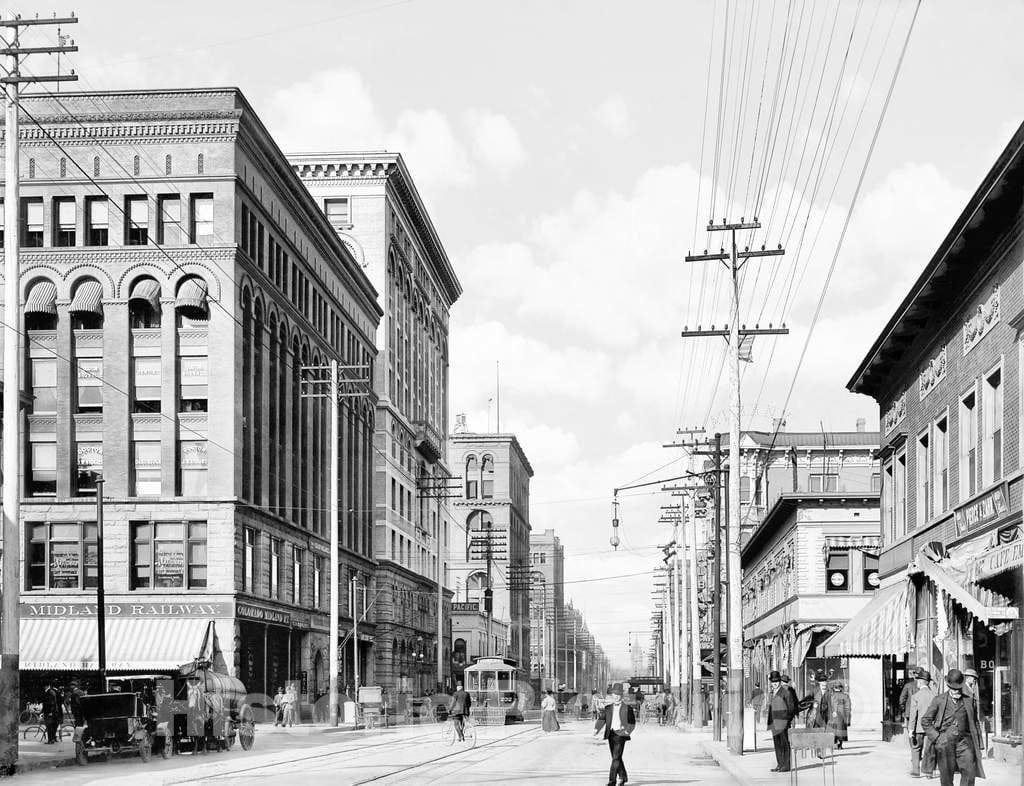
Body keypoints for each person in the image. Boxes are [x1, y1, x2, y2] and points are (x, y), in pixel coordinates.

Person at [921, 669, 986, 786]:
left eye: (957, 688)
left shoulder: (969, 700)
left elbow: (975, 722)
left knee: (970, 773)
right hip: (945, 743)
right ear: (948, 685)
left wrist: (980, 743)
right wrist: (937, 738)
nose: (955, 691)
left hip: (965, 742)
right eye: (952, 688)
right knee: (946, 778)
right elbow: (925, 720)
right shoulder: (939, 700)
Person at [594, 684, 635, 786]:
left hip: (621, 735)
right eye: (614, 694)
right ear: (611, 695)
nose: (616, 696)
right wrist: (596, 729)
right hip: (610, 734)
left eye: (618, 694)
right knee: (616, 757)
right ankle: (623, 777)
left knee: (616, 758)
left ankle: (612, 781)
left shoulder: (627, 708)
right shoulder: (608, 708)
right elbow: (602, 719)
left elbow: (632, 723)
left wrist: (627, 731)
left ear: (621, 695)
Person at [908, 668, 938, 779]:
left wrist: (911, 730)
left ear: (920, 681)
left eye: (918, 680)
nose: (917, 682)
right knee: (929, 749)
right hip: (931, 728)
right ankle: (929, 772)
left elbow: (913, 716)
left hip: (919, 728)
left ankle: (916, 770)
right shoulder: (934, 696)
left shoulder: (915, 696)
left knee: (916, 748)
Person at [767, 670, 797, 773]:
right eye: (773, 681)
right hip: (774, 723)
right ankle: (780, 764)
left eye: (776, 681)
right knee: (777, 744)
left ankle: (786, 765)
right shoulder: (772, 693)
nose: (774, 683)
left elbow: (791, 708)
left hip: (783, 723)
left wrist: (786, 720)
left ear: (780, 681)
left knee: (784, 744)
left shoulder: (786, 692)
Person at [828, 682, 851, 750]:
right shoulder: (845, 696)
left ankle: (834, 744)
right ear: (841, 688)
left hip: (833, 716)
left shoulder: (831, 696)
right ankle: (840, 745)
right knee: (841, 730)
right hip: (842, 716)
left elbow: (829, 706)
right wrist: (848, 719)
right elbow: (848, 708)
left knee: (833, 730)